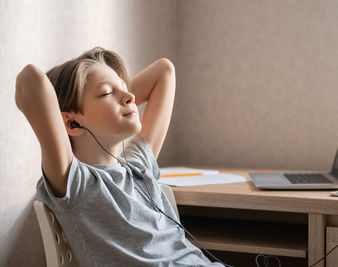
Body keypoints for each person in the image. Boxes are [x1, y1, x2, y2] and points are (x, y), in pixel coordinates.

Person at [15, 47, 224, 266]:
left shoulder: (138, 164)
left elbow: (164, 70)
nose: (131, 97)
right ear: (71, 123)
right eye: (106, 93)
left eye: (126, 89)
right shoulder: (76, 183)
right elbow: (30, 79)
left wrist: (117, 96)